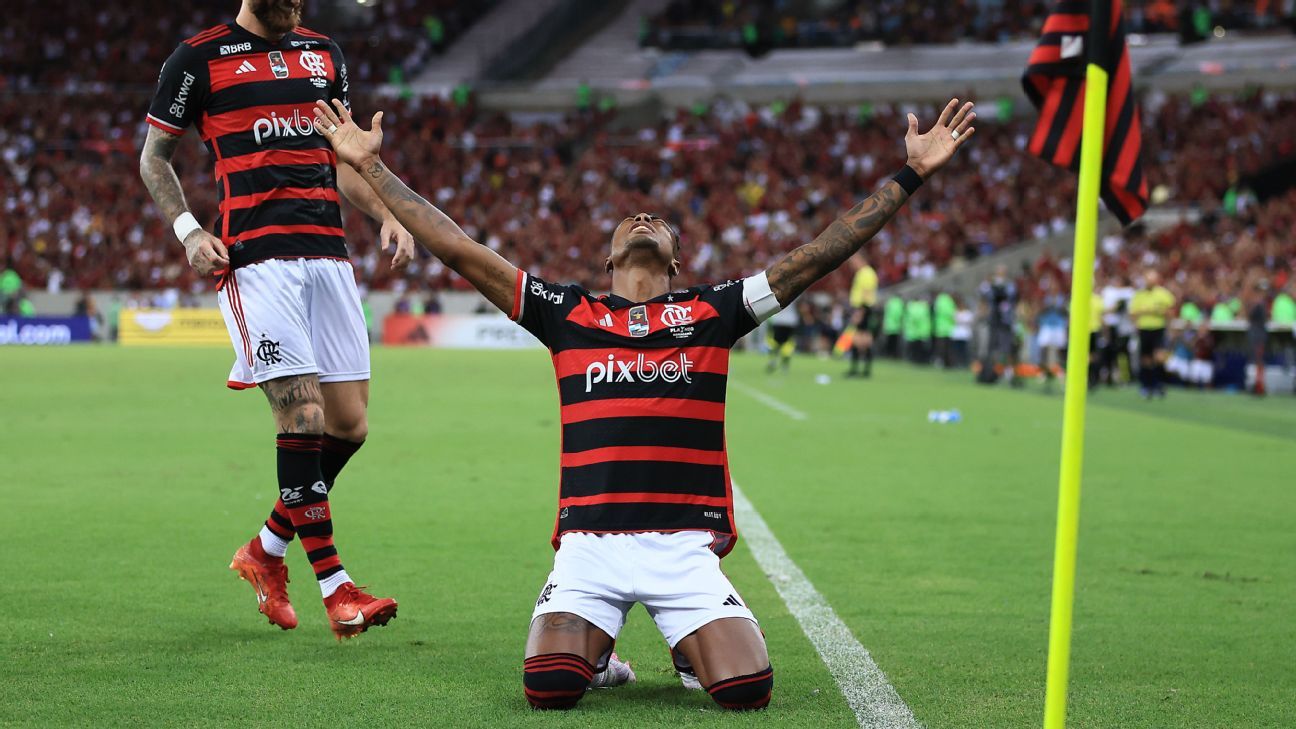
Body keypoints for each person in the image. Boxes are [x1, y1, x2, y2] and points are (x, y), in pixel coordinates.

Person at [310, 94, 977, 710]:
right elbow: (457, 247)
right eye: (632, 218)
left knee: (746, 690)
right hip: (589, 547)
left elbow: (818, 254)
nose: (646, 217)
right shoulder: (566, 312)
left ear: (676, 262)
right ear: (606, 260)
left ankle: (686, 640)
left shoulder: (714, 310)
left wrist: (909, 175)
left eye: (659, 222)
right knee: (547, 691)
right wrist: (371, 167)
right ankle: (600, 657)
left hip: (682, 547)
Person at [138, 0, 415, 639]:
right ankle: (338, 589)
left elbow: (344, 161)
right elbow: (155, 157)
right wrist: (187, 230)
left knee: (349, 427)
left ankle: (265, 551)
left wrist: (388, 212)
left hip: (328, 258)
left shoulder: (325, 55)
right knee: (303, 416)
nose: (296, 6)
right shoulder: (197, 58)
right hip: (257, 265)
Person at [1130, 269, 1175, 398]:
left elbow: (1170, 312)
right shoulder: (1139, 295)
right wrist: (1139, 319)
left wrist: (1159, 313)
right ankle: (1146, 385)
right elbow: (1133, 313)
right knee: (1146, 359)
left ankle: (1159, 384)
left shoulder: (1164, 294)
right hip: (1144, 329)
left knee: (1159, 357)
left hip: (1158, 328)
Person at [845, 253, 878, 377]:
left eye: (853, 261)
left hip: (864, 308)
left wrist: (860, 312)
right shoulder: (864, 273)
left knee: (860, 340)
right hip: (862, 308)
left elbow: (866, 293)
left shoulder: (866, 273)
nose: (852, 265)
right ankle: (862, 370)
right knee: (862, 340)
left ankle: (859, 369)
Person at [765, 297, 798, 374]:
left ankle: (774, 361)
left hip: (780, 320)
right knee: (787, 344)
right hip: (789, 321)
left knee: (778, 343)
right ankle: (783, 364)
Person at [932, 290, 956, 368]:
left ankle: (940, 362)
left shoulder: (939, 300)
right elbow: (952, 313)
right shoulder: (949, 301)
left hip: (940, 327)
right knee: (948, 348)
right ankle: (948, 363)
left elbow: (936, 311)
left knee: (941, 347)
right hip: (948, 328)